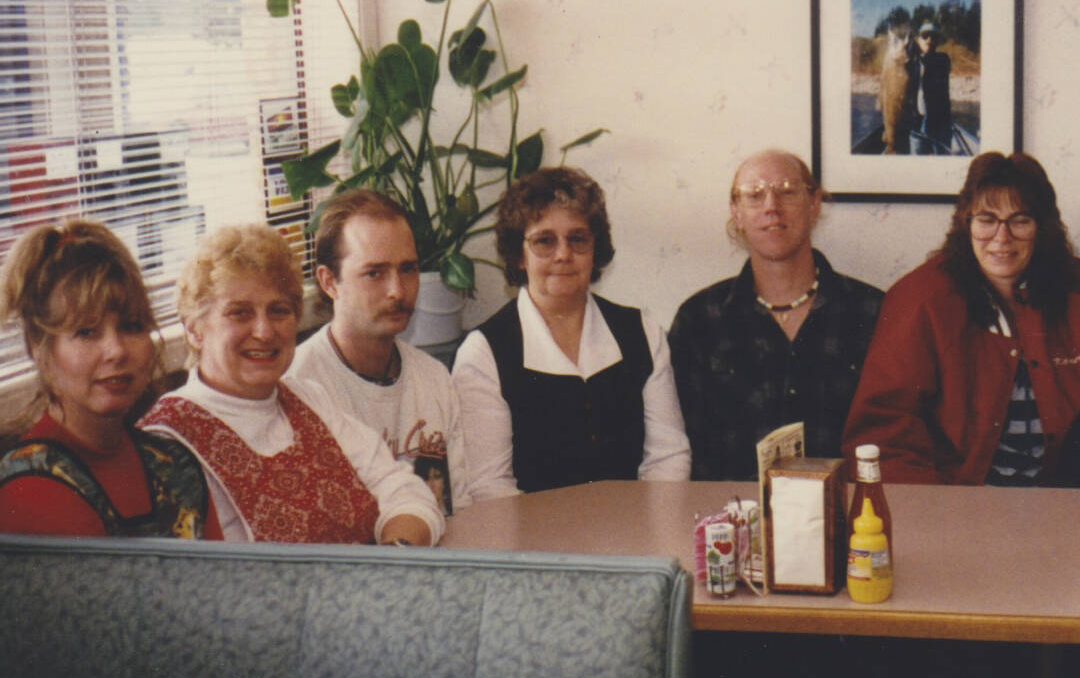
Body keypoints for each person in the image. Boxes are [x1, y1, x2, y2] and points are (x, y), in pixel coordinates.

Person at [842, 151, 1080, 485]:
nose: (1002, 238)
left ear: (1041, 227)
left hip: (1063, 507)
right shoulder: (920, 299)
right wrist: (936, 514)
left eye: (1020, 220)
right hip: (957, 503)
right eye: (987, 219)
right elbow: (884, 430)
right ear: (966, 222)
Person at [138, 224, 442, 545]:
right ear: (194, 330)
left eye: (278, 311)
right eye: (239, 313)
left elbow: (403, 490)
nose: (264, 331)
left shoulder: (307, 396)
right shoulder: (167, 443)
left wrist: (394, 556)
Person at [453, 166, 691, 491]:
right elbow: (489, 485)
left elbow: (668, 458)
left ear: (595, 249)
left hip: (634, 533)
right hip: (530, 537)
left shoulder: (643, 333)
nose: (563, 254)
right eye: (544, 241)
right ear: (518, 255)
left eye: (577, 239)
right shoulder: (484, 353)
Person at [287, 189, 509, 514]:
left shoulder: (434, 379)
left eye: (408, 269)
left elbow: (459, 512)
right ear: (329, 281)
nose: (397, 291)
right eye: (374, 273)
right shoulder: (298, 387)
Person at [669, 150, 883, 479]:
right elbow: (681, 448)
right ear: (736, 213)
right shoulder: (699, 320)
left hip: (848, 519)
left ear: (814, 204)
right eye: (754, 195)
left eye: (786, 190)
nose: (771, 206)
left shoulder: (872, 312)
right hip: (735, 519)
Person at [0, 221, 220, 538]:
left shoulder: (175, 466)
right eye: (86, 332)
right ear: (39, 347)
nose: (116, 351)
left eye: (131, 326)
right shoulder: (28, 488)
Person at [905, 21, 953, 155]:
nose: (929, 39)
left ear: (938, 42)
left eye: (933, 37)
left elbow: (931, 66)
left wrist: (918, 55)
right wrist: (908, 57)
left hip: (940, 125)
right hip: (916, 124)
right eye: (925, 36)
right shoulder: (913, 63)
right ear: (918, 40)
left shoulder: (943, 59)